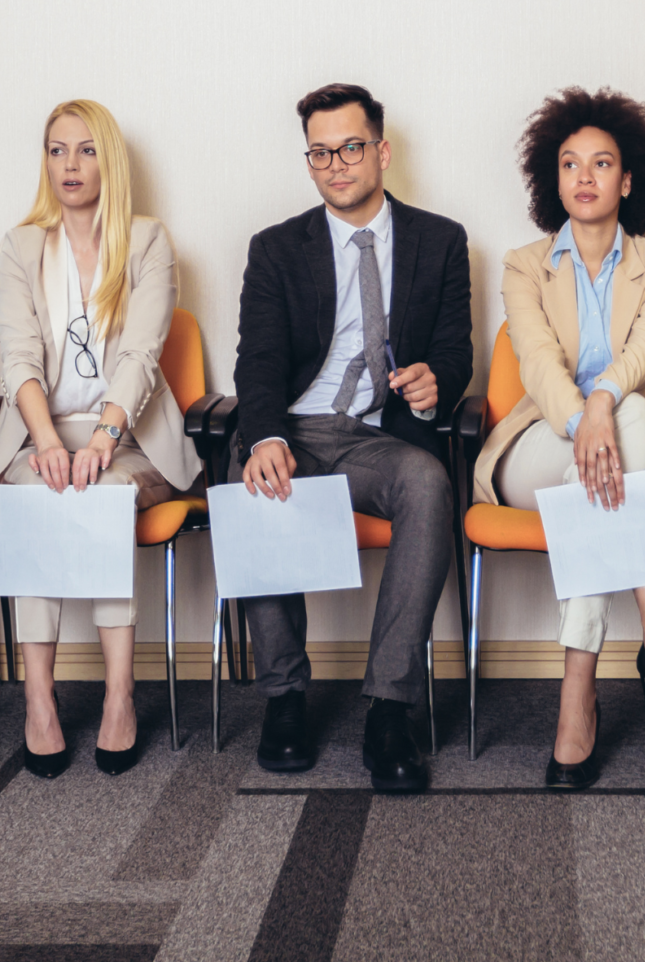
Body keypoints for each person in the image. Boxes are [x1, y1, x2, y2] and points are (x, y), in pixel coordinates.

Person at [472, 87, 645, 791]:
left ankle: (576, 693)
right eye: (571, 163)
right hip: (538, 445)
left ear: (628, 179)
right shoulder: (525, 264)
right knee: (620, 437)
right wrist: (586, 420)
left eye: (602, 163)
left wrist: (606, 401)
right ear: (553, 180)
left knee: (632, 421)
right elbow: (539, 365)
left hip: (621, 445)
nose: (585, 177)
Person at [232, 83, 472, 793]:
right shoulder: (276, 248)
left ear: (382, 151)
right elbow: (260, 360)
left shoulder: (440, 240)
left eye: (351, 147)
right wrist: (264, 436)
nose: (336, 164)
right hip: (298, 430)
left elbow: (455, 351)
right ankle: (284, 698)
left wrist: (438, 382)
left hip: (375, 435)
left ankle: (389, 709)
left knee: (429, 482)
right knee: (254, 483)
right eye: (320, 152)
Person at [0, 99, 202, 779]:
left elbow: (141, 354)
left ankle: (118, 693)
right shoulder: (20, 247)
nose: (69, 166)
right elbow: (18, 359)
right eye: (56, 150)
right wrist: (48, 444)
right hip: (38, 437)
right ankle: (39, 698)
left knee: (99, 494)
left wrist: (103, 439)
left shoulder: (146, 240)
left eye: (85, 150)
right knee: (44, 498)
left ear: (110, 160)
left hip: (131, 441)